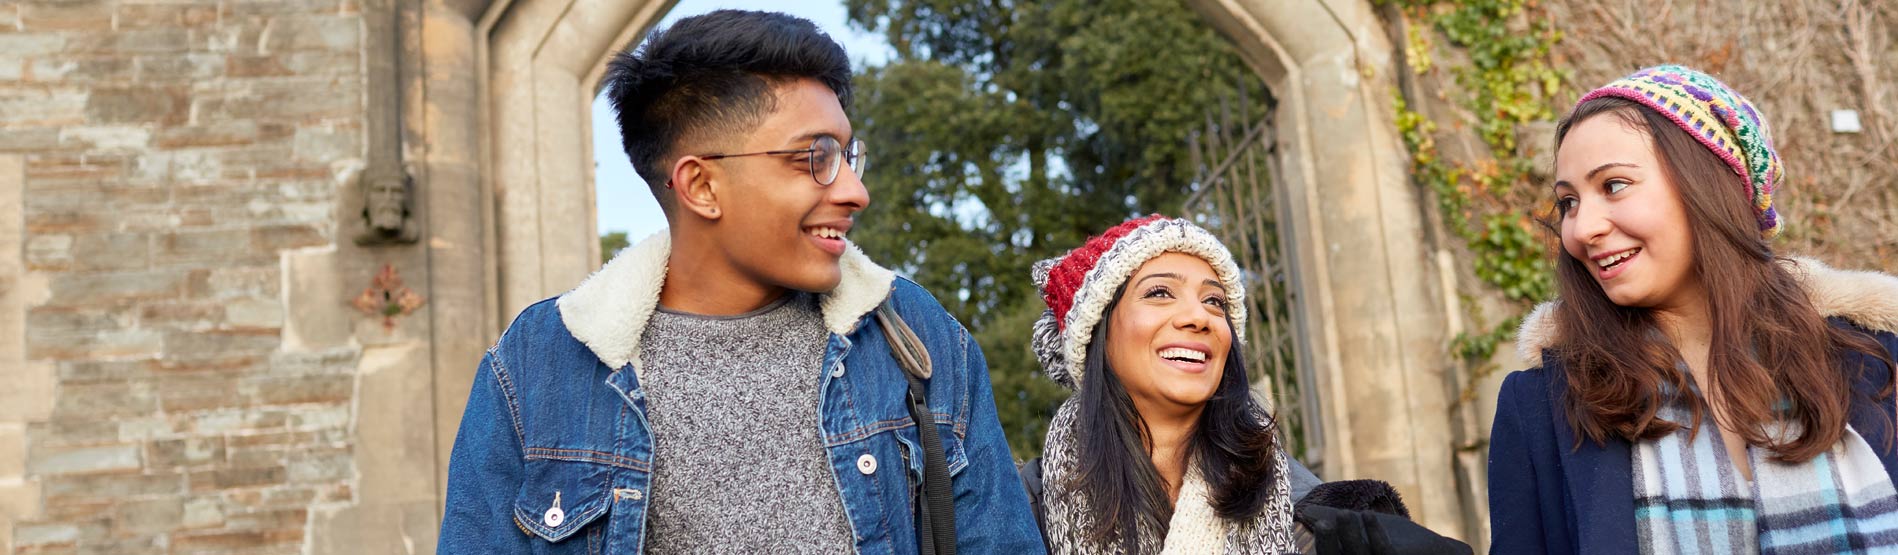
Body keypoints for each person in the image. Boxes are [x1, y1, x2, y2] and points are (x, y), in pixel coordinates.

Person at [437, 10, 1045, 554]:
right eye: (814, 157)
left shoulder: (915, 334)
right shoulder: (537, 366)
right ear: (701, 186)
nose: (855, 192)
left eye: (847, 155)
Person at [1487, 65, 1898, 554]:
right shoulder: (1543, 407)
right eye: (1569, 202)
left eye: (1614, 185)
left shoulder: (1877, 361)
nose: (1582, 229)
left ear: (1707, 185)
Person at [1021, 215, 1472, 554]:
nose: (1199, 317)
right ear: (1095, 335)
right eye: (1160, 292)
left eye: (1214, 301)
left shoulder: (1317, 519)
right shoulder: (1023, 507)